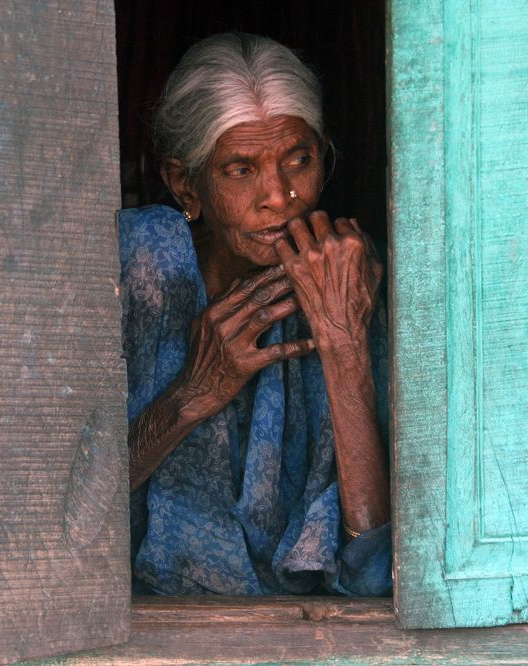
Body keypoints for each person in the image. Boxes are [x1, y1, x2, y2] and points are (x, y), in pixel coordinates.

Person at [120, 32, 391, 596]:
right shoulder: (136, 270)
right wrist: (192, 394)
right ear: (183, 183)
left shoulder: (349, 278)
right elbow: (52, 516)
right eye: (240, 169)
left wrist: (342, 343)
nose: (280, 196)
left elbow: (376, 567)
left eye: (298, 159)